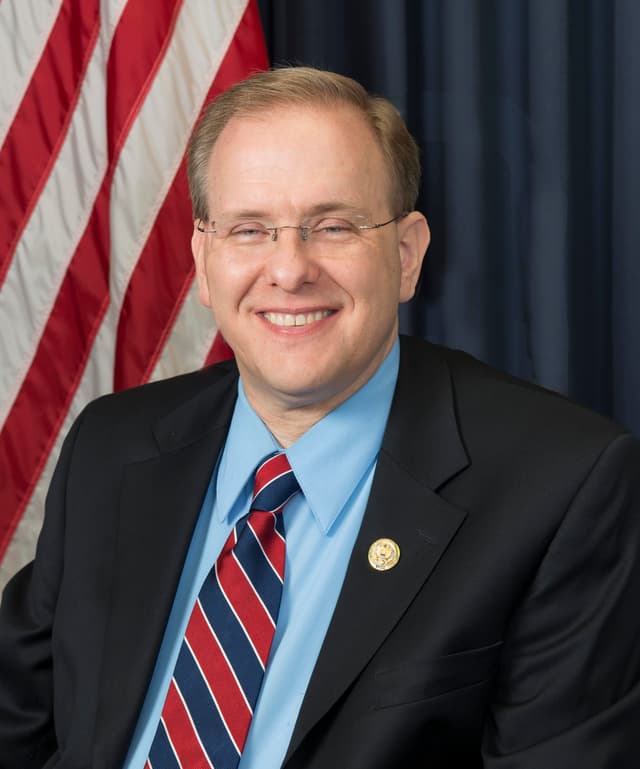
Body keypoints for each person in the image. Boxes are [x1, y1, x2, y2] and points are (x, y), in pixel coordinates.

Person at [0, 66, 639, 769]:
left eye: (332, 226)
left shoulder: (562, 485)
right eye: (249, 230)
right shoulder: (112, 445)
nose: (289, 268)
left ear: (405, 255)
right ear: (204, 263)